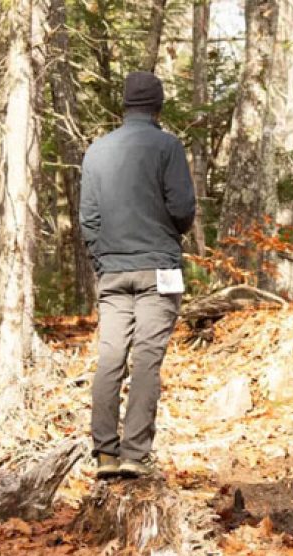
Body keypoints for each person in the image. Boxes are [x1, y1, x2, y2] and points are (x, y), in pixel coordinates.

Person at [80, 71, 196, 479]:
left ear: (124, 104)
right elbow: (182, 209)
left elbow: (88, 219)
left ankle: (105, 456)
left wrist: (102, 258)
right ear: (158, 106)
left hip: (112, 272)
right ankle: (135, 454)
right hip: (158, 269)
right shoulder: (167, 146)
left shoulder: (96, 151)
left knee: (110, 357)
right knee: (147, 358)